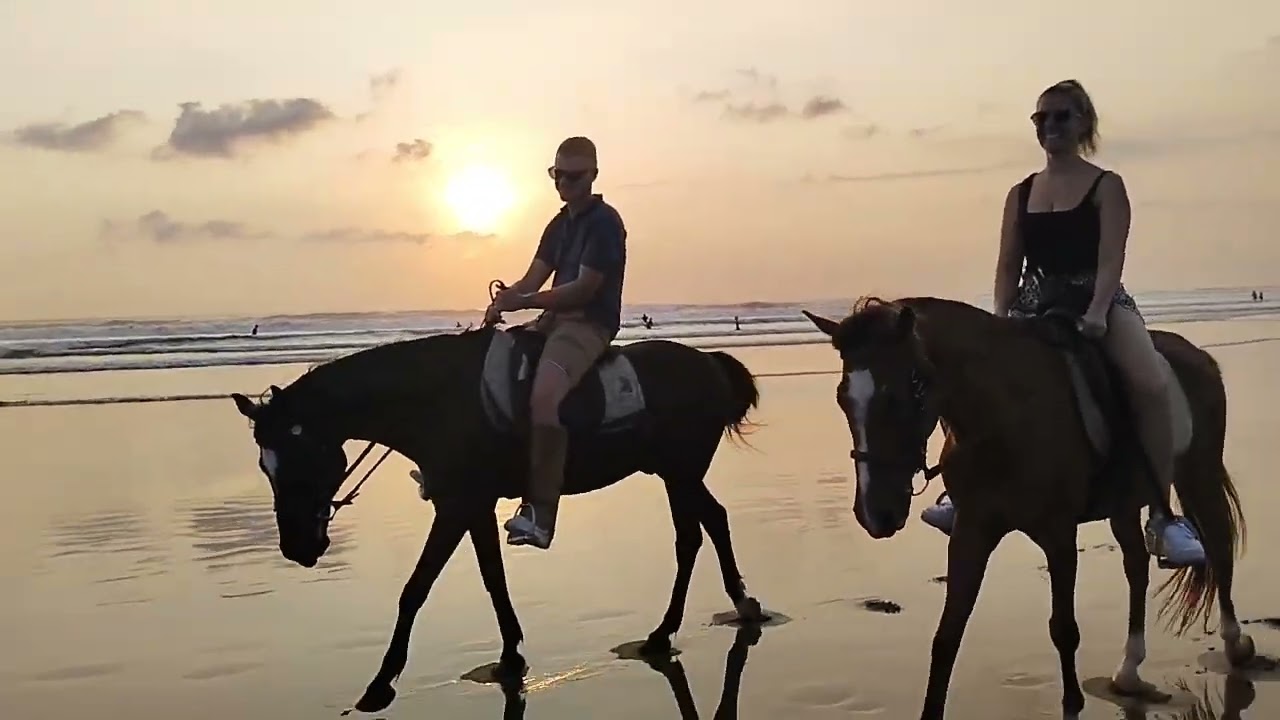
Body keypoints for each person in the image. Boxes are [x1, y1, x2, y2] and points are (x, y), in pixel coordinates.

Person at [919, 79, 1206, 568]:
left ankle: (1162, 516)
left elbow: (1112, 258)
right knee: (968, 375)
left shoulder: (1106, 185)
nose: (1049, 126)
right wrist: (999, 320)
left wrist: (1097, 311)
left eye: (1060, 116)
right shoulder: (1021, 192)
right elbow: (1009, 262)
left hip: (1099, 302)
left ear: (1083, 124)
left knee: (1151, 382)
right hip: (1034, 305)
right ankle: (959, 488)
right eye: (1041, 118)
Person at [485, 136, 627, 549]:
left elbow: (583, 290)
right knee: (494, 365)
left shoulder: (605, 223)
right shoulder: (558, 224)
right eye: (557, 175)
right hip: (553, 319)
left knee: (544, 396)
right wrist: (506, 299)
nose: (564, 183)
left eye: (573, 176)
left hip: (588, 324)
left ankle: (542, 514)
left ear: (593, 176)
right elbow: (533, 279)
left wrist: (525, 301)